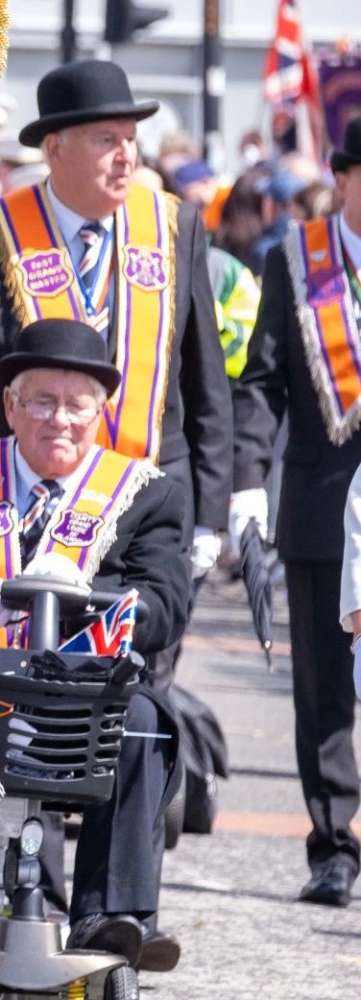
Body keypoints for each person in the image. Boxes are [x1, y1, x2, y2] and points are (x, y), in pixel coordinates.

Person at [0, 318, 188, 971]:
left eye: (77, 406)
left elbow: (165, 600)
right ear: (12, 407)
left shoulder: (146, 495)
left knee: (146, 722)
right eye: (43, 402)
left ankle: (114, 913)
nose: (61, 420)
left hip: (82, 694)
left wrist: (94, 609)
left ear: (100, 413)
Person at [0, 60, 232, 596]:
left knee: (140, 672)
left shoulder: (174, 227)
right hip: (15, 508)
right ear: (55, 150)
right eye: (106, 140)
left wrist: (212, 512)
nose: (127, 158)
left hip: (148, 509)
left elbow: (204, 375)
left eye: (131, 139)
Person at [232, 114, 361, 909]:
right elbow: (261, 380)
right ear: (344, 180)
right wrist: (249, 482)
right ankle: (335, 844)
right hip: (323, 500)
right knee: (322, 687)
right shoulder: (300, 260)